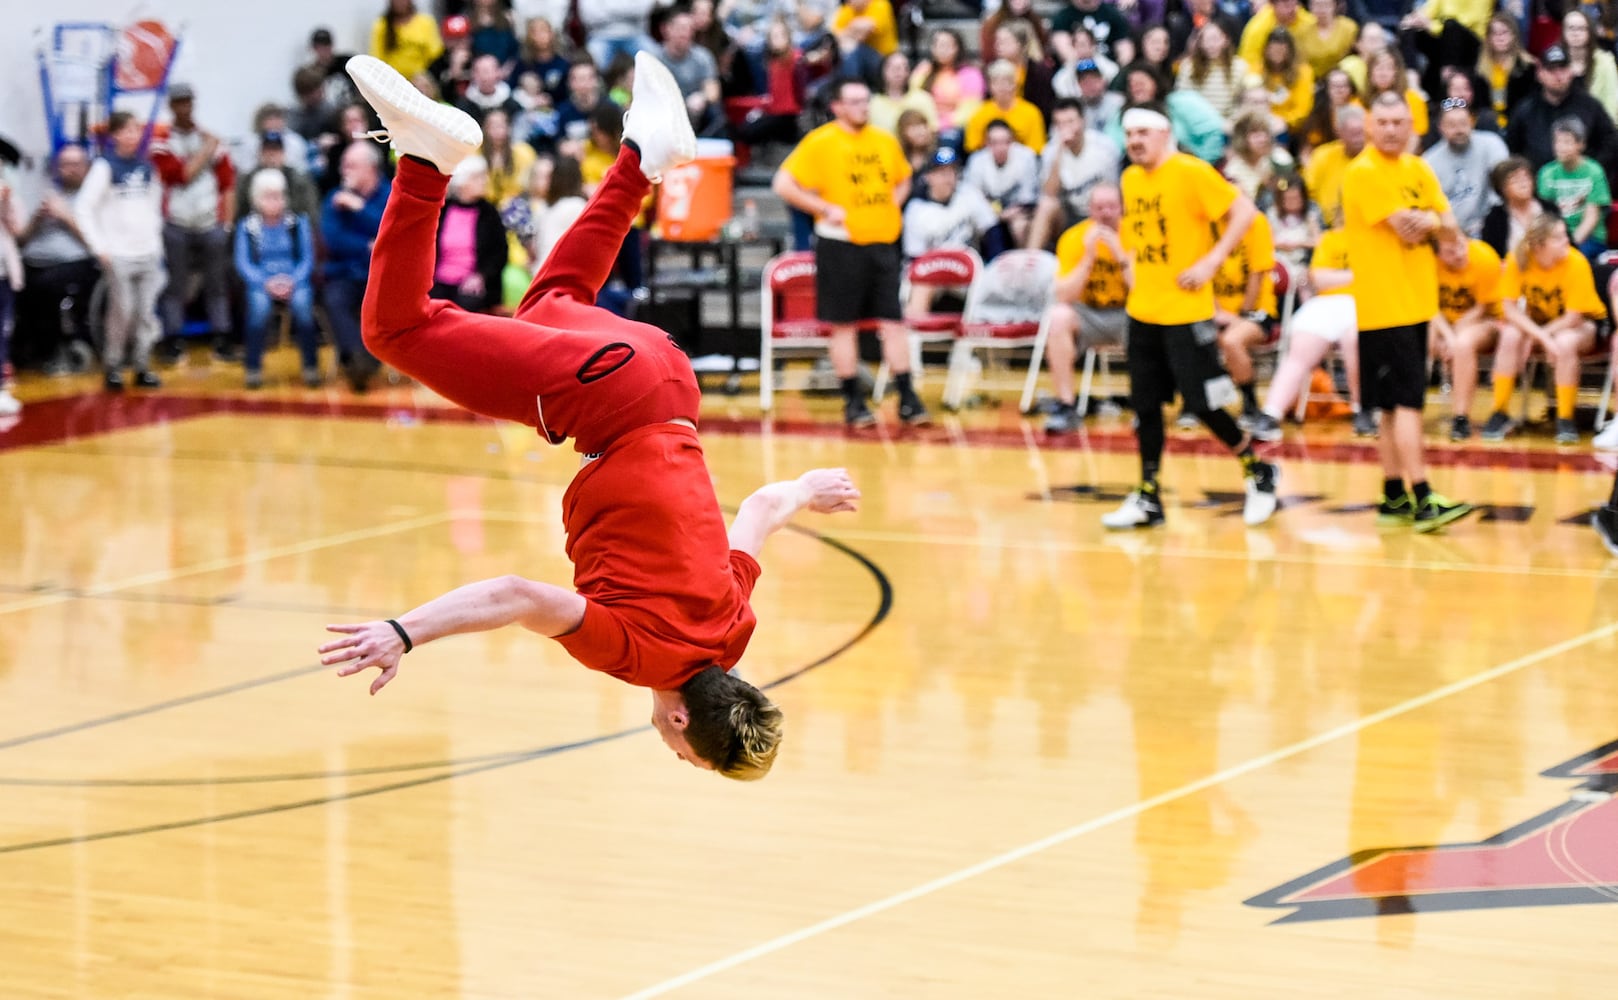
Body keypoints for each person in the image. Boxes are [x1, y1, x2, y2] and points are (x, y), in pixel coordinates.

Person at [323, 53, 854, 779]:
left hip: (668, 379)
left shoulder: (734, 631)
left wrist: (809, 490)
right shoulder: (633, 654)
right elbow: (515, 595)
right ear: (679, 720)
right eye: (687, 757)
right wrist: (402, 633)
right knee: (395, 332)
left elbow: (762, 506)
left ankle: (643, 155)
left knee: (551, 298)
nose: (676, 754)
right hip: (609, 399)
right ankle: (427, 158)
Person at [1102, 107, 1280, 530]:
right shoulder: (1130, 179)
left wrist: (1212, 261)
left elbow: (1245, 213)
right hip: (1143, 311)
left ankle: (1257, 468)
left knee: (1202, 404)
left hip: (1187, 314)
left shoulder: (1190, 171)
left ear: (1165, 134)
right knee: (1145, 408)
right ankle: (1148, 494)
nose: (1135, 141)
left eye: (1143, 132)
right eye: (1129, 134)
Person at [1342, 91, 1472, 531]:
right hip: (1384, 308)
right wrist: (1436, 223)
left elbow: (1451, 229)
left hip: (1417, 303)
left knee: (1393, 408)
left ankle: (1394, 494)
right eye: (1384, 122)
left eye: (1399, 122)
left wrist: (1435, 222)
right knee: (1406, 404)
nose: (1392, 129)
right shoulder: (1362, 172)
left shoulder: (1418, 168)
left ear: (1412, 124)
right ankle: (1423, 497)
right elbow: (1408, 229)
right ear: (1369, 125)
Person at [773, 77, 929, 427]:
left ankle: (907, 397)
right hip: (840, 245)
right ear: (838, 107)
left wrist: (894, 202)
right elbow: (782, 184)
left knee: (893, 323)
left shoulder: (884, 140)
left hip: (882, 242)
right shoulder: (822, 141)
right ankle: (853, 401)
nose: (862, 107)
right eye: (855, 101)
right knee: (844, 326)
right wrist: (821, 207)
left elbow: (903, 178)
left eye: (865, 101)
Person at [1483, 214, 1607, 445]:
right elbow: (1509, 309)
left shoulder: (1576, 262)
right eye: (1558, 237)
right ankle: (1499, 412)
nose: (1566, 241)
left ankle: (1565, 418)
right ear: (1540, 245)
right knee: (1510, 335)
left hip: (1585, 324)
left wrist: (1540, 337)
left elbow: (1573, 318)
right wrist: (1539, 336)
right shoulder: (1518, 259)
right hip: (1543, 323)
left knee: (1565, 342)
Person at [1246, 222, 1364, 440]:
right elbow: (1319, 279)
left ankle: (1361, 409)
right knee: (1300, 351)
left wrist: (1341, 277)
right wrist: (1358, 276)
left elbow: (1378, 281)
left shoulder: (1378, 239)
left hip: (1366, 304)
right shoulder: (1331, 238)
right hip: (1327, 303)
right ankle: (1271, 414)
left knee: (1354, 340)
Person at [76, 112, 167, 392]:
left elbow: (154, 207)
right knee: (122, 311)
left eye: (135, 130)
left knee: (145, 312)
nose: (131, 136)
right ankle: (113, 365)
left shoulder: (146, 166)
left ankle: (142, 364)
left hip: (147, 251)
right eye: (125, 130)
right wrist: (99, 246)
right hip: (119, 253)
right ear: (114, 135)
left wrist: (157, 243)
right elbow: (84, 207)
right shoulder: (104, 167)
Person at [1043, 183, 1132, 434]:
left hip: (1127, 310)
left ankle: (1145, 407)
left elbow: (1141, 288)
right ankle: (1066, 406)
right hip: (1088, 312)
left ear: (1122, 208)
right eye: (1099, 207)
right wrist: (1089, 258)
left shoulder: (1135, 234)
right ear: (1090, 210)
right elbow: (1064, 295)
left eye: (1111, 207)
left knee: (1146, 316)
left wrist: (1118, 253)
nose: (1105, 213)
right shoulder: (1074, 238)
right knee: (1058, 317)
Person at [234, 169, 320, 389]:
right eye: (269, 196)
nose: (275, 201)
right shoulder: (247, 227)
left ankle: (311, 366)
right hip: (262, 282)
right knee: (258, 309)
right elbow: (243, 263)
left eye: (279, 195)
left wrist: (293, 280)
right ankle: (253, 368)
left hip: (294, 279)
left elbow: (307, 259)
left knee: (303, 308)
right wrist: (265, 283)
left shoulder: (297, 223)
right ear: (257, 199)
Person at [321, 142, 391, 391]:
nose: (344, 170)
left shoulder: (391, 194)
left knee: (383, 304)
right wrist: (366, 246)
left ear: (370, 168)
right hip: (344, 272)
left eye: (351, 165)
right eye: (343, 165)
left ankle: (360, 362)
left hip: (383, 275)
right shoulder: (334, 198)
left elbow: (391, 232)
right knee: (334, 300)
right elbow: (332, 239)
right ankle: (360, 359)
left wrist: (359, 208)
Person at [1430, 232, 1502, 441]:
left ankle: (1461, 417)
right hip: (1443, 322)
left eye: (1461, 246)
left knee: (1462, 344)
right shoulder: (1427, 263)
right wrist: (1444, 336)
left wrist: (1451, 337)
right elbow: (1429, 307)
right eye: (1451, 252)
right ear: (1438, 254)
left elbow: (1482, 308)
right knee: (1413, 337)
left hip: (1486, 320)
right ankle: (1399, 410)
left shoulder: (1484, 256)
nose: (1460, 254)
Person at [1028, 98, 1119, 250]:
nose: (1065, 128)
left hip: (1099, 212)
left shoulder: (1104, 147)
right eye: (1060, 124)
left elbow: (1113, 193)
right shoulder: (1051, 151)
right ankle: (1030, 261)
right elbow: (1049, 193)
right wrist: (1059, 153)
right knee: (1046, 205)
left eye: (1070, 122)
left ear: (1083, 121)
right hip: (1070, 213)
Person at [1422, 97, 1507, 239]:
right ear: (1441, 128)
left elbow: (1502, 190)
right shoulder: (1428, 162)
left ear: (1472, 122)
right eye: (1452, 125)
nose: (1459, 130)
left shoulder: (1491, 144)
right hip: (1450, 234)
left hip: (1491, 228)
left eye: (1463, 123)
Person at [1536, 117, 1611, 264]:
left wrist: (1570, 245)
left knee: (1573, 260)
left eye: (1567, 142)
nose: (1561, 147)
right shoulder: (1546, 172)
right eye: (1557, 142)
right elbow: (1544, 214)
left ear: (1581, 144)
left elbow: (1591, 218)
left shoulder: (1594, 171)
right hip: (1555, 234)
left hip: (1590, 237)